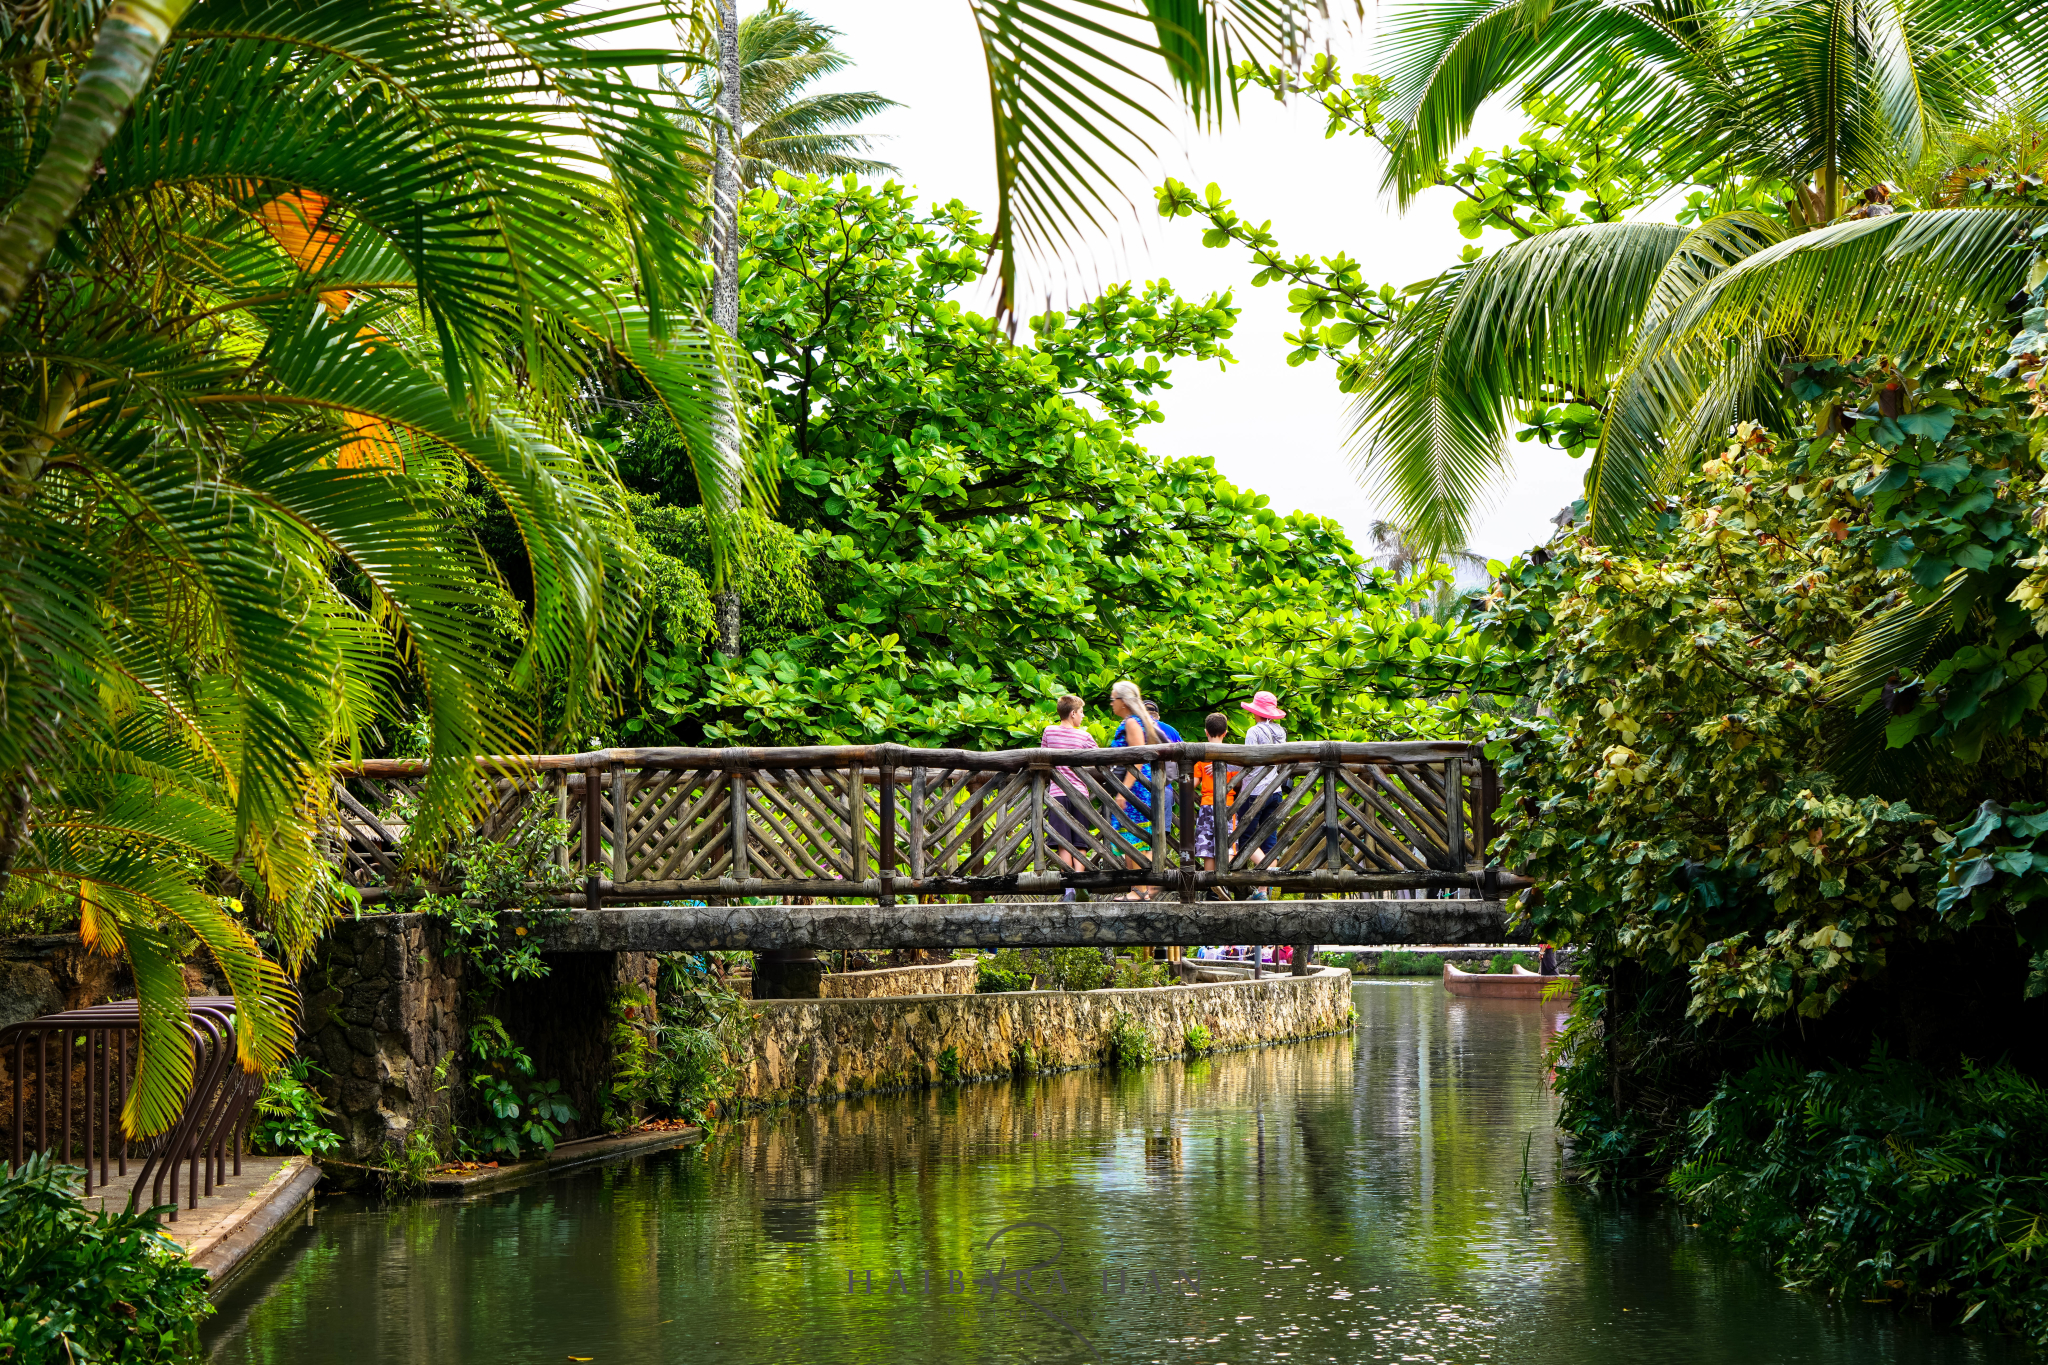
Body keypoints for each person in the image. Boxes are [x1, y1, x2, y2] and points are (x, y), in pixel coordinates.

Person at [1106, 680, 1173, 898]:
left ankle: (1141, 889)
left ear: (1123, 701)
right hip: (1139, 788)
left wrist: (1123, 790)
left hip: (1135, 789)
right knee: (1132, 838)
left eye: (1113, 699)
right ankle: (1139, 888)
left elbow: (1137, 759)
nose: (1111, 704)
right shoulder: (1137, 721)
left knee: (1134, 838)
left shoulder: (1132, 723)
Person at [1039, 694, 1097, 899]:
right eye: (1081, 712)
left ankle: (1069, 886)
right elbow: (1099, 758)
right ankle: (1078, 880)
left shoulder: (1049, 731)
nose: (1082, 717)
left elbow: (1043, 757)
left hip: (1057, 793)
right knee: (1080, 840)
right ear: (1073, 714)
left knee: (1063, 841)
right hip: (1080, 793)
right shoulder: (1084, 736)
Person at [1236, 690, 1289, 899]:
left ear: (1256, 711)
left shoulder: (1254, 731)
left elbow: (1249, 761)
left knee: (1245, 840)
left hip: (1255, 792)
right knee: (1269, 841)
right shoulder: (1281, 732)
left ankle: (1268, 873)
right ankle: (1262, 892)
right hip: (1275, 790)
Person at [1192, 712, 1234, 886]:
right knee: (1229, 846)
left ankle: (1211, 888)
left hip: (1207, 805)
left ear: (1205, 732)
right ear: (1225, 733)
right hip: (1228, 805)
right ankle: (1222, 881)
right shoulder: (1233, 755)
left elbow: (1192, 784)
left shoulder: (1202, 757)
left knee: (1208, 849)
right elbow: (1239, 785)